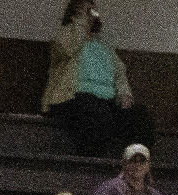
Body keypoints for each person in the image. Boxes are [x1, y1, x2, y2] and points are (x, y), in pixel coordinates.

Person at [41, 1, 155, 158]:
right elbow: (67, 48)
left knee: (138, 116)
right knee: (96, 114)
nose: (90, 14)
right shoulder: (64, 36)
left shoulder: (104, 45)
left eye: (92, 10)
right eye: (85, 10)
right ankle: (92, 161)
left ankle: (137, 164)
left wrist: (124, 95)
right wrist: (80, 21)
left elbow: (119, 72)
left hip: (105, 100)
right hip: (72, 97)